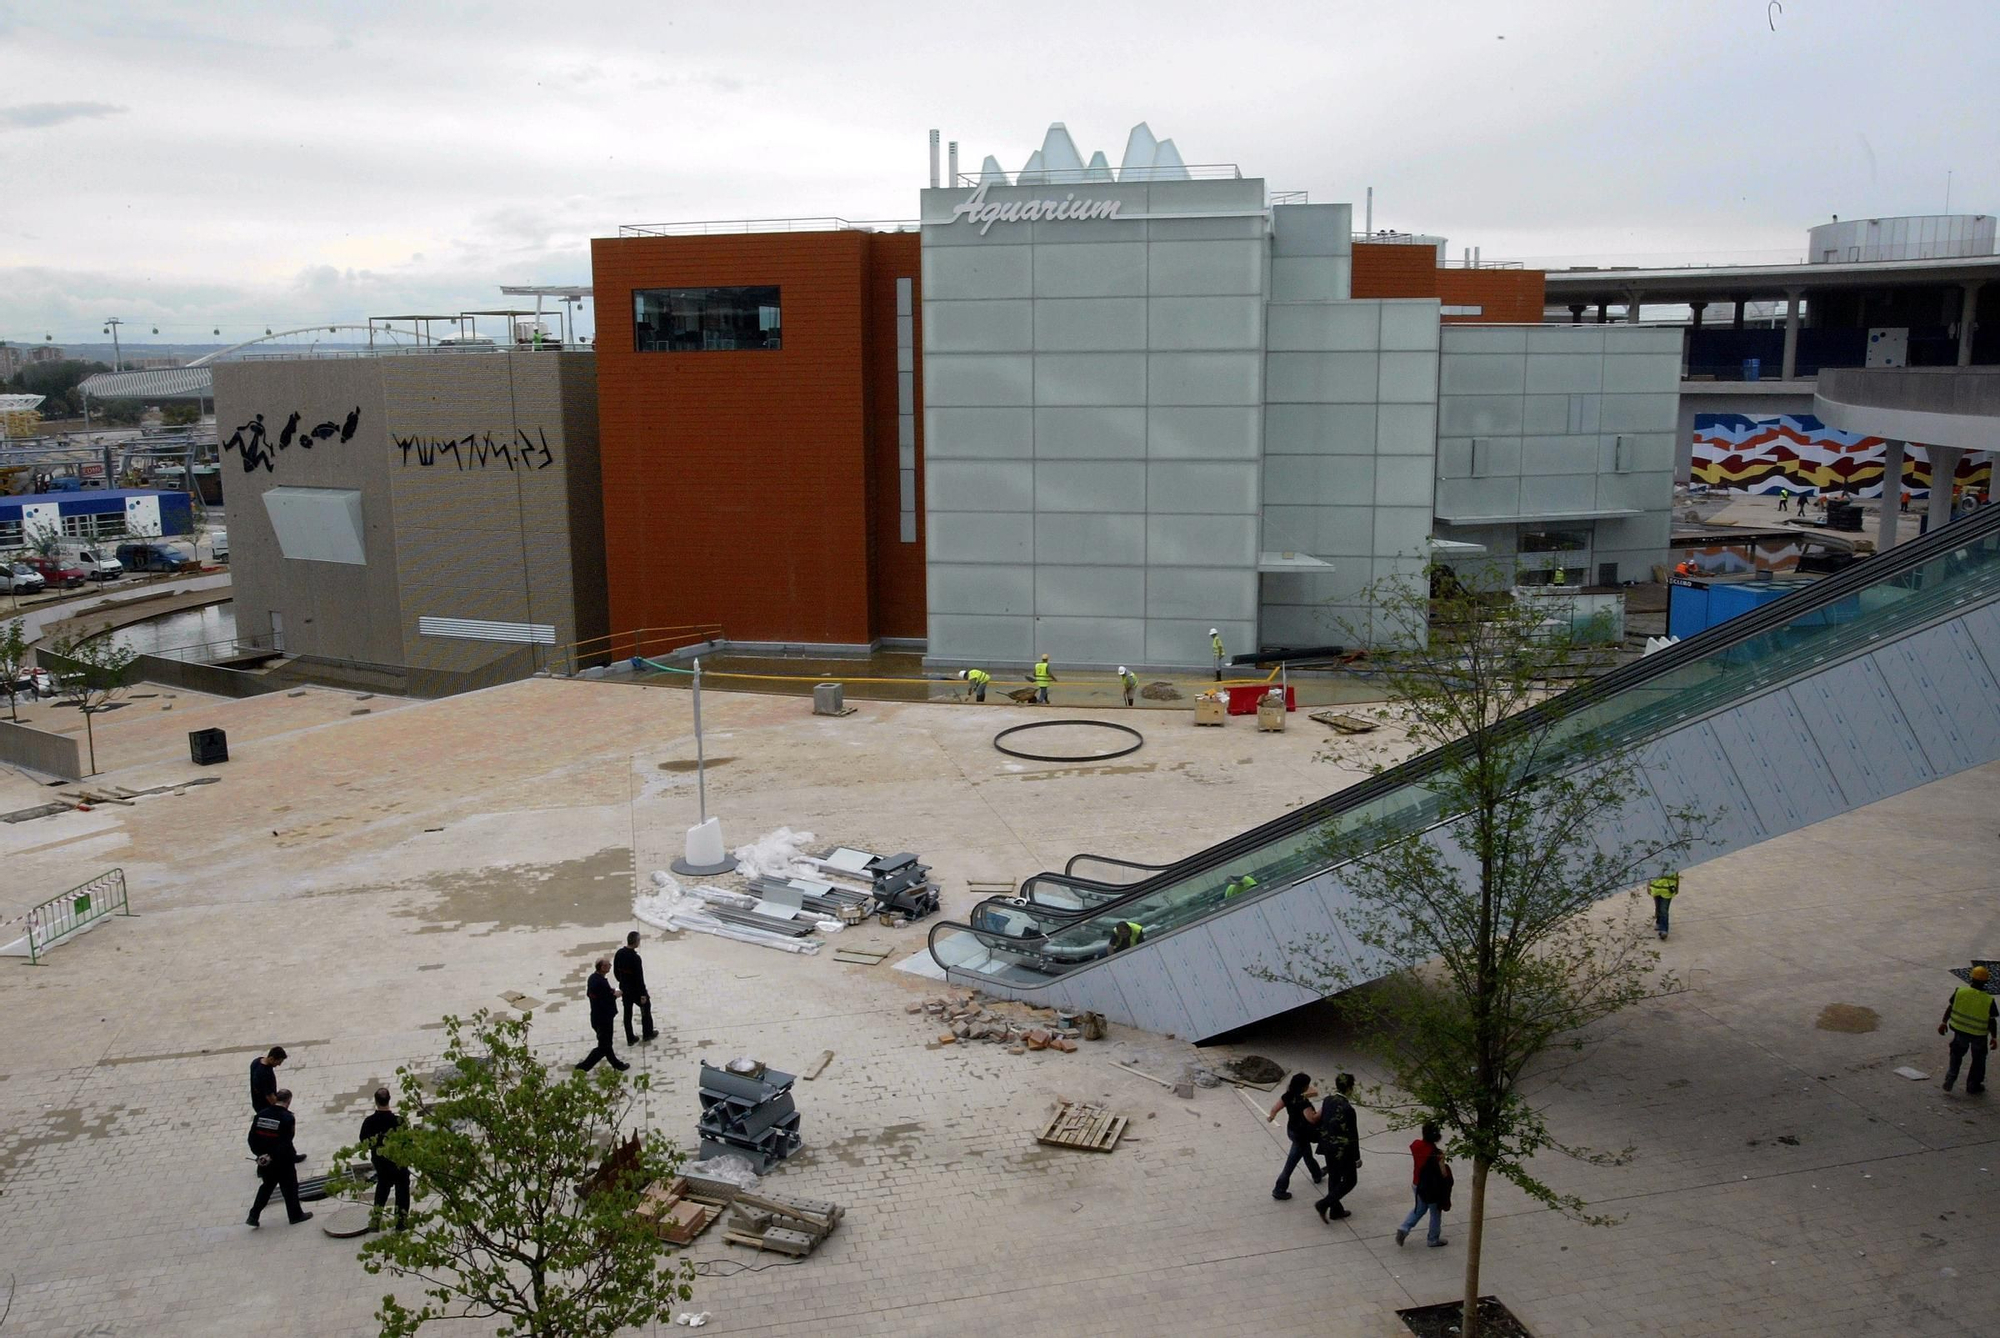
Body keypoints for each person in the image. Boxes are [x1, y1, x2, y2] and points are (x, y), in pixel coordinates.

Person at [245, 1090, 312, 1227]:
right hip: (283, 1161)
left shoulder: (261, 1115)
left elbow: (252, 1138)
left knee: (267, 1187)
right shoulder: (288, 1118)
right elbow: (286, 1141)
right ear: (289, 1101)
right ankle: (295, 1215)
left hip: (265, 1162)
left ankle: (253, 1215)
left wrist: (260, 1155)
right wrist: (274, 1155)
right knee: (290, 1188)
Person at [1940, 965, 1997, 1095]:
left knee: (1956, 1056)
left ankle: (1951, 1077)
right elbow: (1992, 1021)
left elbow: (1950, 1008)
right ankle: (1973, 1085)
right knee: (1978, 1060)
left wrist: (1943, 1022)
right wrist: (1994, 1038)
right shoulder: (1988, 1000)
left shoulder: (1960, 992)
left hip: (1960, 1031)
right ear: (1986, 982)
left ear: (1970, 979)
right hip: (1979, 1034)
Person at [1266, 1072, 1324, 1199]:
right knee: (1291, 1163)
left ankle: (1317, 1174)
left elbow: (1275, 1108)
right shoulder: (1303, 1102)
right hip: (1302, 1134)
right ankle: (1279, 1189)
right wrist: (1323, 1110)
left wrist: (1271, 1117)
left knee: (1307, 1154)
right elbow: (1312, 1119)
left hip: (1291, 1131)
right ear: (1304, 1086)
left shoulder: (1287, 1096)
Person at [359, 1087, 410, 1232]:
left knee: (382, 1187)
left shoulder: (369, 1122)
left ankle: (376, 1220)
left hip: (380, 1161)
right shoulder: (399, 1121)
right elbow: (408, 1141)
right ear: (389, 1099)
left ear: (375, 1101)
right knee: (402, 1189)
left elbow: (363, 1140)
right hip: (398, 1161)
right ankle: (401, 1222)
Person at [1313, 1073, 1362, 1222]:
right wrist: (1357, 1157)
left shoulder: (1328, 1100)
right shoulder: (1348, 1109)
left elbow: (1323, 1121)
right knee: (1350, 1180)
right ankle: (1324, 1204)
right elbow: (1353, 1134)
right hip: (1343, 1150)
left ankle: (1335, 1210)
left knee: (1334, 1177)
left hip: (1328, 1145)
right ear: (1350, 1088)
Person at [1395, 1121, 1451, 1247]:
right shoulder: (1438, 1154)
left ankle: (1404, 1228)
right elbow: (1443, 1174)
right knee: (1435, 1212)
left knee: (1419, 1208)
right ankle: (1433, 1239)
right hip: (1432, 1189)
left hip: (1417, 1183)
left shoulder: (1416, 1145)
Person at [574, 958, 629, 1073]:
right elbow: (605, 999)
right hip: (604, 1019)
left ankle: (616, 1064)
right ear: (603, 967)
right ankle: (584, 1067)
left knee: (606, 1044)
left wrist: (610, 991)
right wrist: (615, 995)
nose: (610, 965)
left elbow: (597, 994)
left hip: (596, 1017)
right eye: (608, 964)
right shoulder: (601, 982)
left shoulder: (593, 978)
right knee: (604, 1047)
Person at [613, 930, 658, 1045]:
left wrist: (622, 982)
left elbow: (616, 972)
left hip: (625, 989)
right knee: (646, 1008)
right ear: (636, 942)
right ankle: (647, 1033)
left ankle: (630, 1038)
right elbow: (639, 978)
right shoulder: (635, 958)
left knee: (627, 1014)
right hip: (636, 991)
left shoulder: (619, 953)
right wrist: (643, 994)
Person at [249, 1045, 286, 1112]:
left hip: (256, 1103)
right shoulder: (265, 1074)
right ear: (271, 1058)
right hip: (265, 1107)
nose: (279, 1064)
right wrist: (280, 1110)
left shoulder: (256, 1062)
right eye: (278, 1062)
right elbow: (270, 1096)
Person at [1649, 871, 1679, 941]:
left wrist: (1677, 887)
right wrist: (1648, 885)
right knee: (1658, 907)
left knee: (1664, 909)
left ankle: (1664, 930)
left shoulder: (1672, 866)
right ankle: (1659, 922)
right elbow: (1650, 875)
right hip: (1656, 889)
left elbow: (1676, 875)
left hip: (1667, 890)